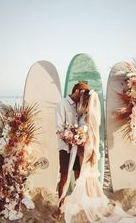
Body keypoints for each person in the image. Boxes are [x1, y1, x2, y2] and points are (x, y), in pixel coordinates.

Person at [61, 89, 136, 223]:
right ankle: (88, 201)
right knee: (86, 178)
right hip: (85, 150)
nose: (79, 104)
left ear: (85, 103)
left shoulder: (86, 117)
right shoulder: (87, 116)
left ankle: (87, 203)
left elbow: (88, 137)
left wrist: (77, 138)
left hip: (85, 151)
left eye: (81, 102)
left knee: (85, 177)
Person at [52, 82, 90, 220]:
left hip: (79, 148)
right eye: (83, 94)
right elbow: (59, 129)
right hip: (66, 148)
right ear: (78, 91)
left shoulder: (81, 106)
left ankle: (77, 204)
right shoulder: (62, 104)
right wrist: (72, 138)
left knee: (78, 176)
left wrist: (81, 138)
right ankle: (60, 206)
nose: (84, 97)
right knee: (64, 177)